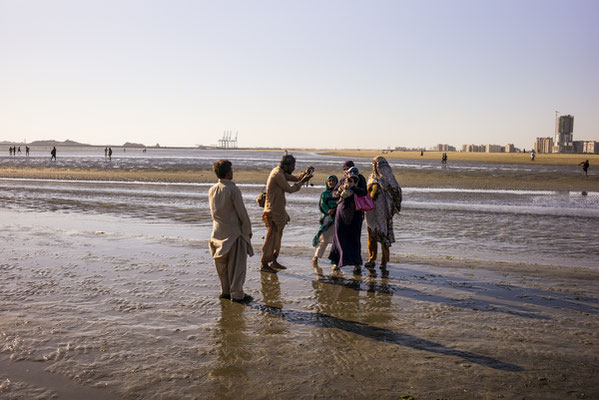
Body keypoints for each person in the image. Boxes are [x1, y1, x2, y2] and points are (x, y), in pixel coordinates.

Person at [208, 160, 254, 304]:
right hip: (234, 233)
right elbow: (242, 213)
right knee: (237, 266)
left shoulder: (212, 189)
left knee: (222, 267)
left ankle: (225, 291)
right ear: (228, 173)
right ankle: (237, 294)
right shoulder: (233, 189)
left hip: (217, 232)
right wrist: (247, 231)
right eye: (232, 170)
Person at [261, 154, 312, 273]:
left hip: (278, 212)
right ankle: (264, 264)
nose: (294, 168)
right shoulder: (278, 174)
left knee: (277, 238)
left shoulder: (280, 172)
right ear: (286, 165)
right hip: (272, 212)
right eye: (292, 166)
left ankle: (273, 261)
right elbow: (290, 189)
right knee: (271, 239)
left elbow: (293, 177)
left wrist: (304, 174)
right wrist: (302, 182)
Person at [365, 156, 402, 271]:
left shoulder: (390, 179)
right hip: (371, 212)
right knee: (372, 234)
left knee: (383, 236)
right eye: (375, 164)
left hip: (384, 212)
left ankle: (384, 261)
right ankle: (372, 259)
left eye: (379, 164)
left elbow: (397, 193)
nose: (377, 167)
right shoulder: (371, 178)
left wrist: (392, 209)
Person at [329, 164, 368, 273]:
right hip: (341, 212)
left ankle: (356, 263)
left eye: (349, 169)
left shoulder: (360, 179)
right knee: (338, 237)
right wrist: (337, 193)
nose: (347, 171)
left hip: (356, 214)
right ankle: (336, 262)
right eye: (345, 169)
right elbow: (334, 192)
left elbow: (364, 192)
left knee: (354, 238)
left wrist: (353, 187)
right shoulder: (342, 180)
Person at [312, 175, 339, 266]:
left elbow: (341, 203)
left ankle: (336, 261)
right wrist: (328, 211)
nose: (331, 182)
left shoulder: (339, 193)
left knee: (337, 241)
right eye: (329, 181)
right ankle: (316, 257)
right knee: (324, 239)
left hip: (337, 219)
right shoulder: (324, 194)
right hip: (327, 219)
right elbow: (322, 204)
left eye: (333, 181)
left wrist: (335, 210)